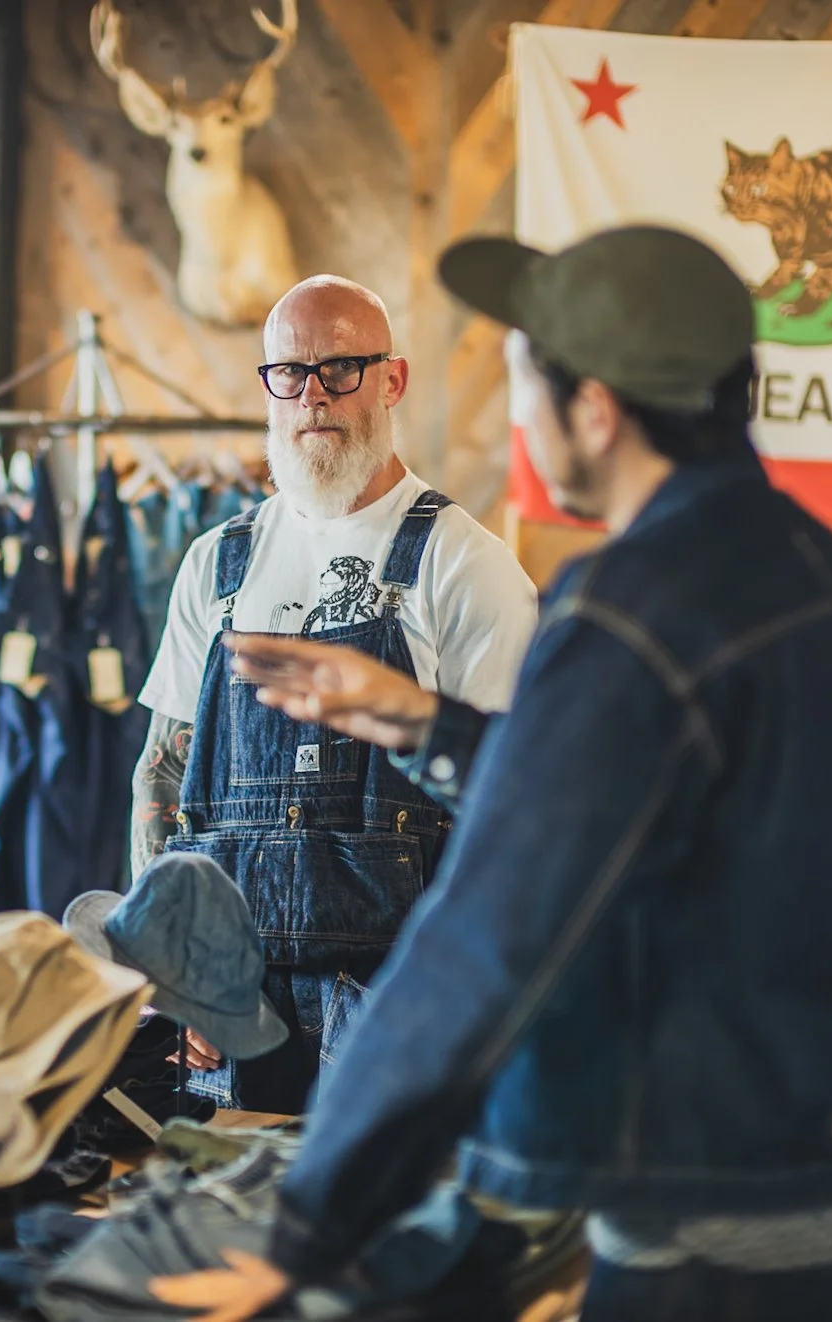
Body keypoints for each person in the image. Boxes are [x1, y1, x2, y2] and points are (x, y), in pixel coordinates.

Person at [154, 227, 832, 1321]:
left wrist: (312, 1216)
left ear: (593, 409)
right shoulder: (828, 579)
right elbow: (653, 805)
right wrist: (433, 726)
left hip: (732, 1242)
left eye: (521, 378)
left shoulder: (622, 615)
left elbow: (490, 933)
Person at [132, 275, 538, 1114]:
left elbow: (513, 807)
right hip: (233, 999)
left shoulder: (463, 565)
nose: (313, 395)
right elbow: (162, 776)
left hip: (403, 998)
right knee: (222, 1215)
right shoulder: (217, 563)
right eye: (290, 373)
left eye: (341, 369)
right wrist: (163, 960)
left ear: (392, 381)